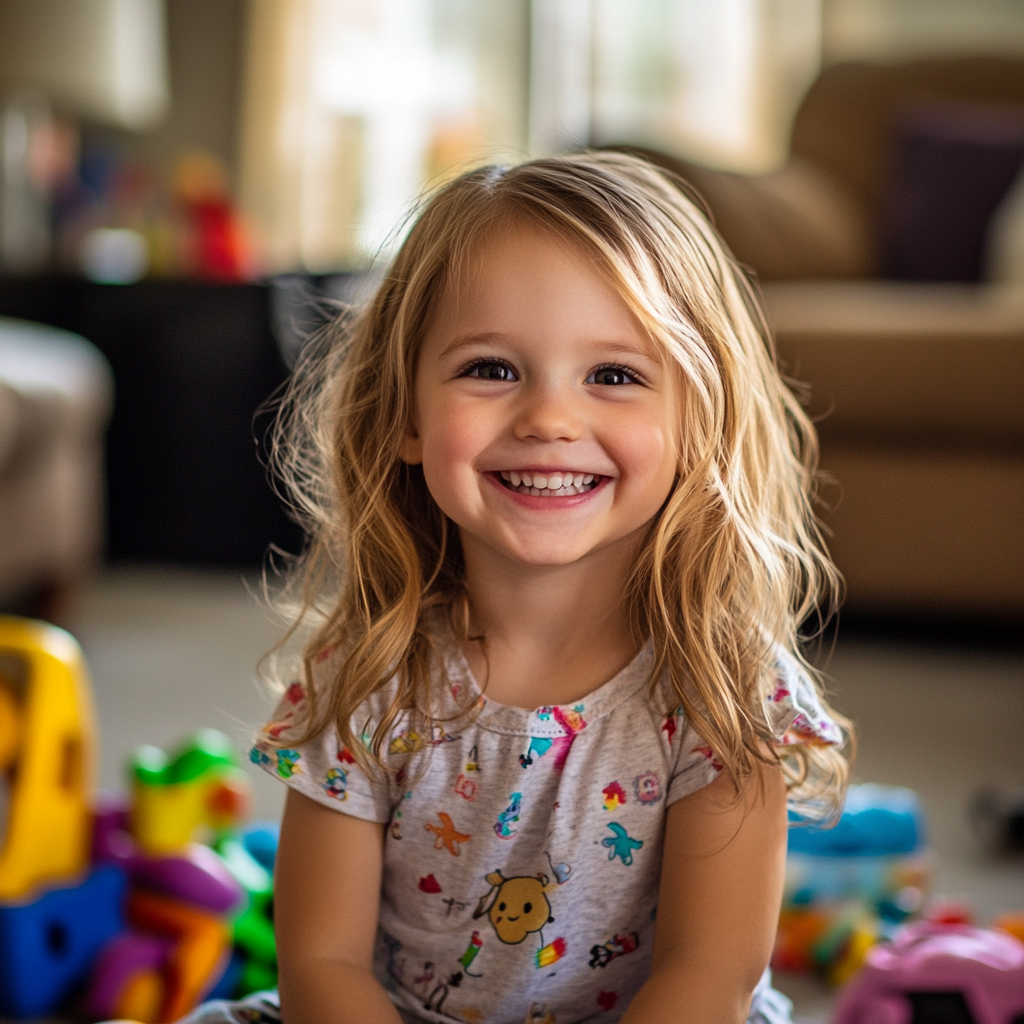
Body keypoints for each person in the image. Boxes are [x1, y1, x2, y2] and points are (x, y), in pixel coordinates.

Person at [184, 151, 850, 1024]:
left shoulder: (726, 689)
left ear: (699, 422)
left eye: (614, 376)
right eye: (491, 368)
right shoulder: (370, 670)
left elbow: (711, 977)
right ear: (405, 417)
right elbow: (322, 961)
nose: (549, 418)